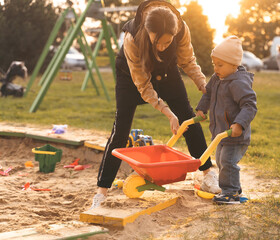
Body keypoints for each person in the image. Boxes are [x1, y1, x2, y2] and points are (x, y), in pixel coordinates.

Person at [91, 0, 220, 209]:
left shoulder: (181, 29)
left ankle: (208, 174)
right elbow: (142, 84)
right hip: (131, 77)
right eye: (156, 43)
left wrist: (204, 87)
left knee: (187, 116)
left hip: (167, 73)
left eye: (166, 43)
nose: (160, 47)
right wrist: (167, 112)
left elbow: (188, 61)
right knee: (121, 130)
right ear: (146, 31)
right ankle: (101, 192)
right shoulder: (132, 37)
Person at [196, 36, 257, 204]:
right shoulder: (217, 79)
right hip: (220, 133)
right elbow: (208, 94)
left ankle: (231, 193)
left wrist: (239, 124)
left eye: (220, 65)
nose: (216, 68)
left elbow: (249, 105)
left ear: (234, 65)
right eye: (214, 64)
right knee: (221, 162)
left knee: (228, 161)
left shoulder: (238, 82)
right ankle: (233, 188)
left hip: (235, 134)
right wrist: (202, 109)